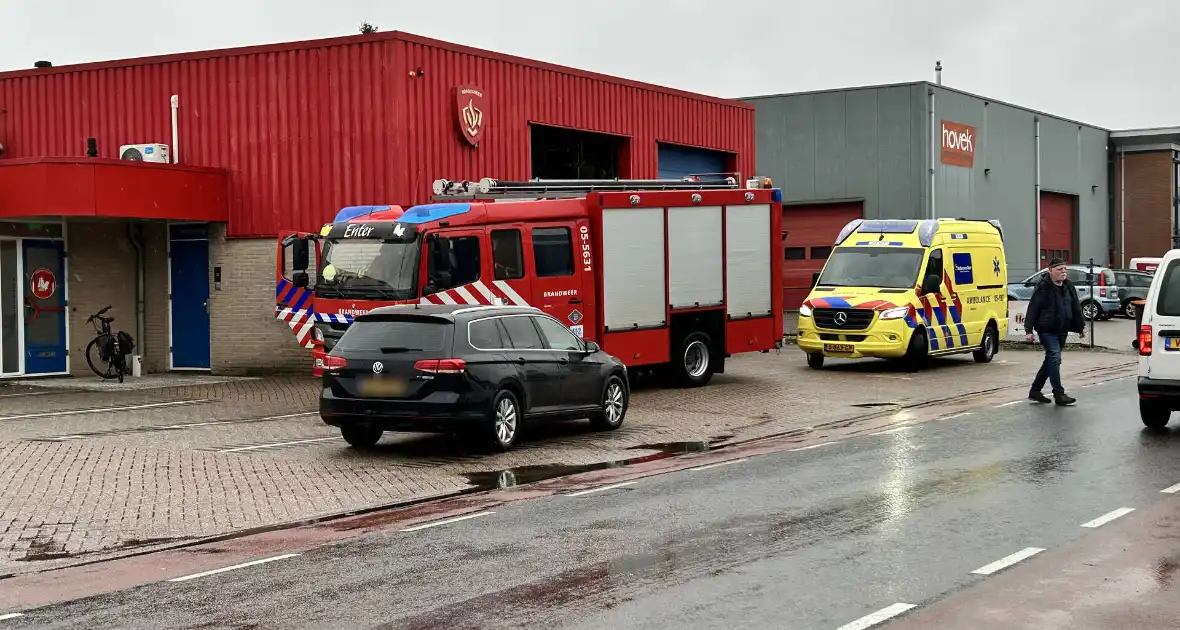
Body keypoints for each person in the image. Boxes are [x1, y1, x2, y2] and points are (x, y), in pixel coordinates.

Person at [1024, 258, 1086, 405]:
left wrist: (1080, 326)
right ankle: (1059, 393)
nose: (1063, 272)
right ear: (1050, 271)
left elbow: (1075, 307)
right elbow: (1033, 308)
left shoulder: (1069, 286)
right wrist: (1029, 330)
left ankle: (1035, 390)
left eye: (1065, 269)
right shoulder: (1042, 287)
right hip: (1047, 330)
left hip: (1062, 329)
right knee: (1054, 358)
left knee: (1051, 361)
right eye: (1059, 269)